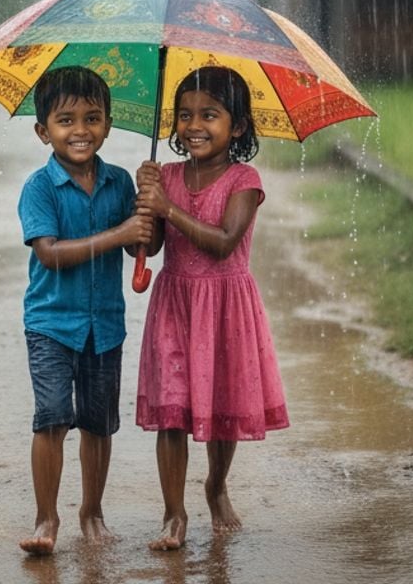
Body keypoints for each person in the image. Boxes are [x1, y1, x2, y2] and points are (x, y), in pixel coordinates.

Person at [133, 66, 290, 551]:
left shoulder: (245, 179)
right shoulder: (169, 176)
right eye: (184, 115)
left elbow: (224, 242)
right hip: (176, 305)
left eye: (209, 115)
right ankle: (173, 513)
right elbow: (153, 246)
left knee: (223, 404)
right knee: (172, 411)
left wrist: (168, 208)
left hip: (225, 307)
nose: (194, 125)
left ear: (237, 126)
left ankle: (216, 484)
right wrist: (144, 204)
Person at [16, 65, 154, 555]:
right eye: (66, 120)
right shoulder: (39, 188)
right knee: (52, 416)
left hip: (104, 326)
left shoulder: (118, 184)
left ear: (109, 124)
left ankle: (91, 510)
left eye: (92, 118)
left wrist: (149, 207)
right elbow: (50, 253)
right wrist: (118, 235)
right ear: (43, 131)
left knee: (98, 423)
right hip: (51, 323)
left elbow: (148, 248)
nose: (80, 131)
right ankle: (46, 516)